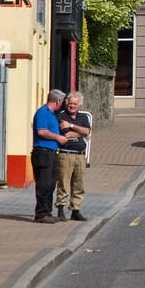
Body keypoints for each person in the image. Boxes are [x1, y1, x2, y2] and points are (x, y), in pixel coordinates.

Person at [32, 89, 74, 223]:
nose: (62, 104)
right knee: (43, 184)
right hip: (43, 152)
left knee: (50, 185)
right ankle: (41, 214)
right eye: (62, 101)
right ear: (57, 101)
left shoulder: (52, 114)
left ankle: (48, 212)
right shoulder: (42, 112)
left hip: (52, 152)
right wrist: (58, 137)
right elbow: (42, 131)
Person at [55, 91, 91, 221]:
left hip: (80, 155)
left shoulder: (83, 117)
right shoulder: (61, 116)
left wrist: (71, 126)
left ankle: (76, 210)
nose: (72, 106)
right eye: (70, 103)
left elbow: (87, 131)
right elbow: (65, 135)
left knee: (79, 184)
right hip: (66, 154)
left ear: (79, 105)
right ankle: (60, 209)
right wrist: (80, 132)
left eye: (75, 104)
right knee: (63, 183)